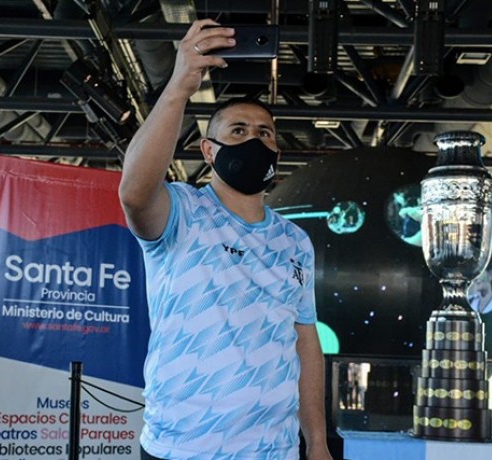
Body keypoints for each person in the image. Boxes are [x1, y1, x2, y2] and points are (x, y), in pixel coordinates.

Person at [119, 19, 333, 460]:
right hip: (180, 448)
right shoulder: (181, 212)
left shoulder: (295, 242)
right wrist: (179, 86)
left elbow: (306, 343)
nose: (253, 139)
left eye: (264, 134)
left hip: (272, 451)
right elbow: (134, 192)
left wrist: (317, 442)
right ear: (208, 150)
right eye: (238, 131)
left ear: (276, 154)